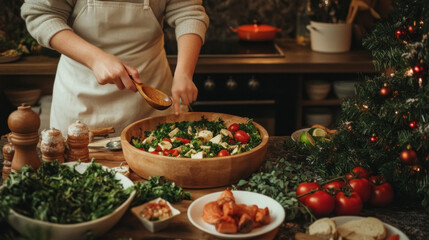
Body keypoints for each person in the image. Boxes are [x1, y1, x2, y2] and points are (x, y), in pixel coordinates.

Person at [21, 0, 209, 135]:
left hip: (150, 98)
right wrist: (95, 58)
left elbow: (188, 12)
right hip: (80, 100)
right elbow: (40, 14)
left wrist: (184, 71)